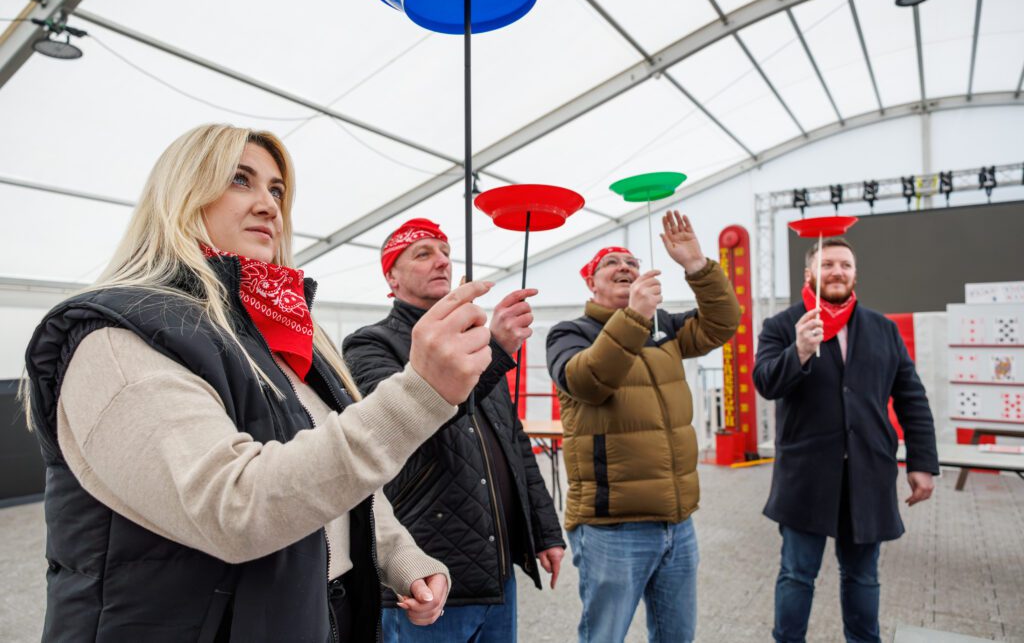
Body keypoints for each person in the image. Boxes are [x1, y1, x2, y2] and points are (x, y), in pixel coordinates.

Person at [23, 124, 498, 642]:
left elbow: (327, 475)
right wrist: (420, 393)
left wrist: (397, 553)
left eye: (276, 189)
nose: (270, 205)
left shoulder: (284, 333)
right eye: (239, 180)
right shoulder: (114, 337)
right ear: (180, 194)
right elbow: (233, 507)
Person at [342, 217, 566, 643]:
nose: (441, 260)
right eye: (422, 253)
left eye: (445, 251)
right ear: (391, 274)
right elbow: (408, 426)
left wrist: (545, 532)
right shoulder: (370, 344)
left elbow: (514, 443)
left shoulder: (476, 342)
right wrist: (495, 350)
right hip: (426, 573)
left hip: (494, 573)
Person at [545, 211, 740, 643]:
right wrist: (634, 316)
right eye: (610, 263)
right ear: (590, 284)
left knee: (677, 636)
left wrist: (696, 265)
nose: (625, 267)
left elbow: (723, 323)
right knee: (605, 636)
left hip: (677, 522)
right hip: (612, 527)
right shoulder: (570, 333)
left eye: (631, 262)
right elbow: (587, 381)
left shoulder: (664, 328)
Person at [753, 236, 939, 643]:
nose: (837, 271)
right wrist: (798, 351)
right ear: (810, 274)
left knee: (862, 576)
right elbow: (765, 383)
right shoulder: (783, 326)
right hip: (805, 477)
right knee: (797, 574)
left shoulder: (882, 329)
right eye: (828, 264)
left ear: (855, 275)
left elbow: (912, 398)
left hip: (867, 474)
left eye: (845, 265)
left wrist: (922, 463)